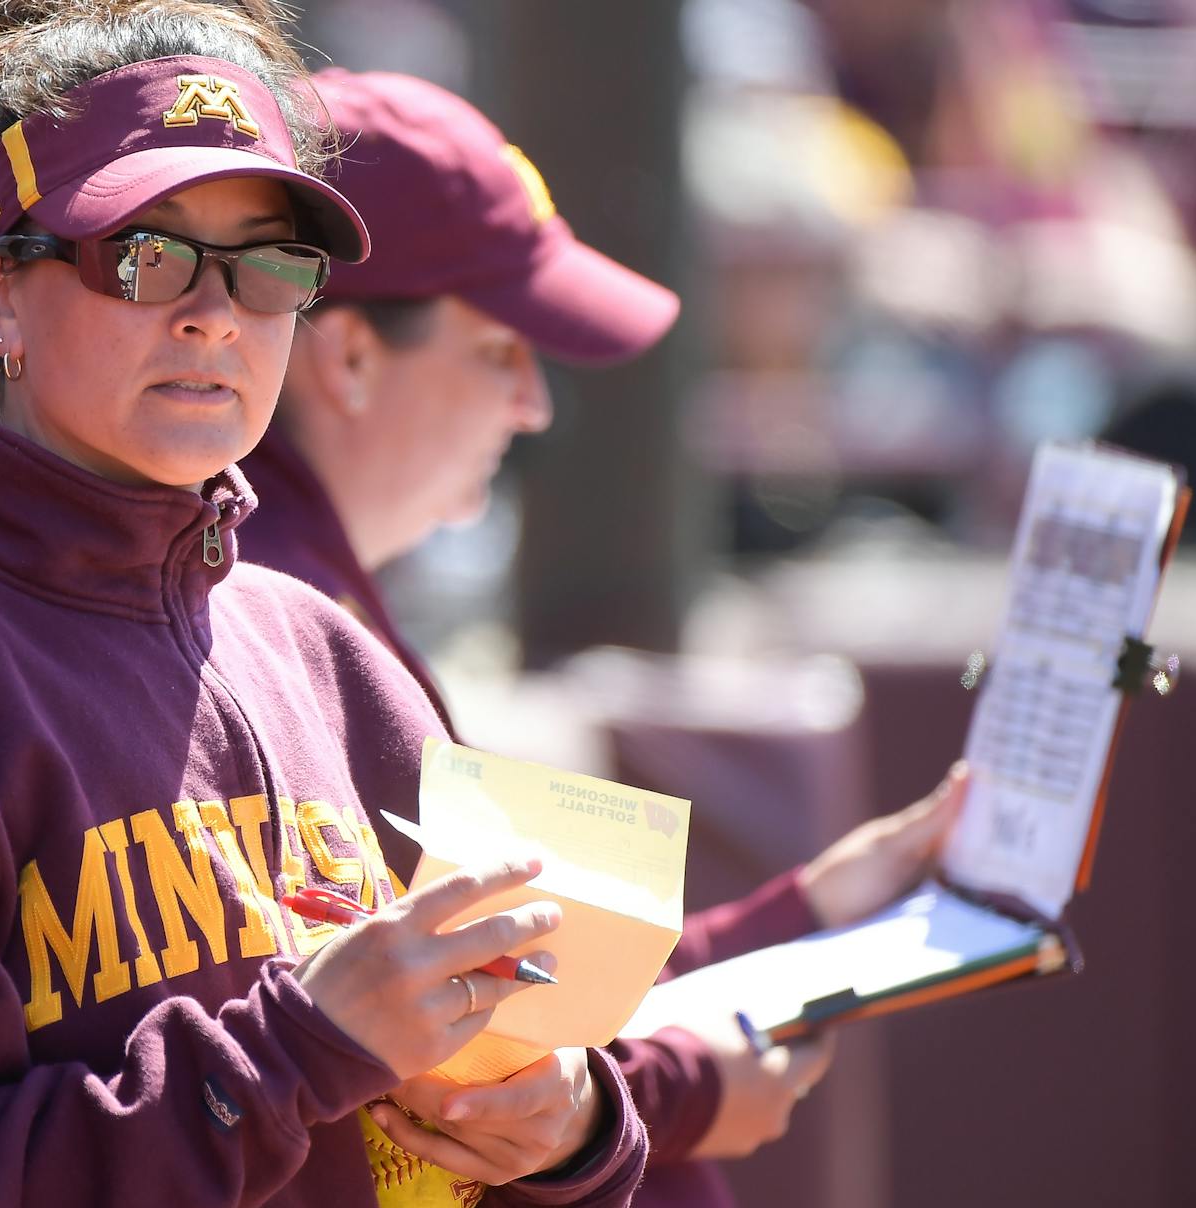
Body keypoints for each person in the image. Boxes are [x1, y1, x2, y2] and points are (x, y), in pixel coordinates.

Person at [0, 4, 649, 1205]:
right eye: (146, 253)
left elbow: (512, 1075)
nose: (214, 313)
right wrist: (294, 1046)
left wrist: (569, 1125)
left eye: (270, 264)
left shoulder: (328, 652)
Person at [239, 68, 968, 1204]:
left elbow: (533, 989)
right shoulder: (266, 602)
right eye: (497, 350)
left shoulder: (308, 583)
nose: (533, 403)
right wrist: (681, 1087)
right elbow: (441, 1075)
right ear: (345, 356)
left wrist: (808, 909)